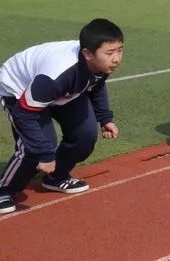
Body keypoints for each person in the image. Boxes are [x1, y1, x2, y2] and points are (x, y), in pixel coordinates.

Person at [0, 19, 124, 215]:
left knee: (85, 135)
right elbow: (24, 114)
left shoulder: (100, 63)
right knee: (37, 147)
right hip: (20, 90)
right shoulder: (57, 74)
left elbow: (96, 85)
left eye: (119, 50)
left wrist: (105, 118)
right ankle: (4, 190)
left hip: (62, 92)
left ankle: (56, 177)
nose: (116, 58)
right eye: (110, 53)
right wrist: (44, 154)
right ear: (87, 54)